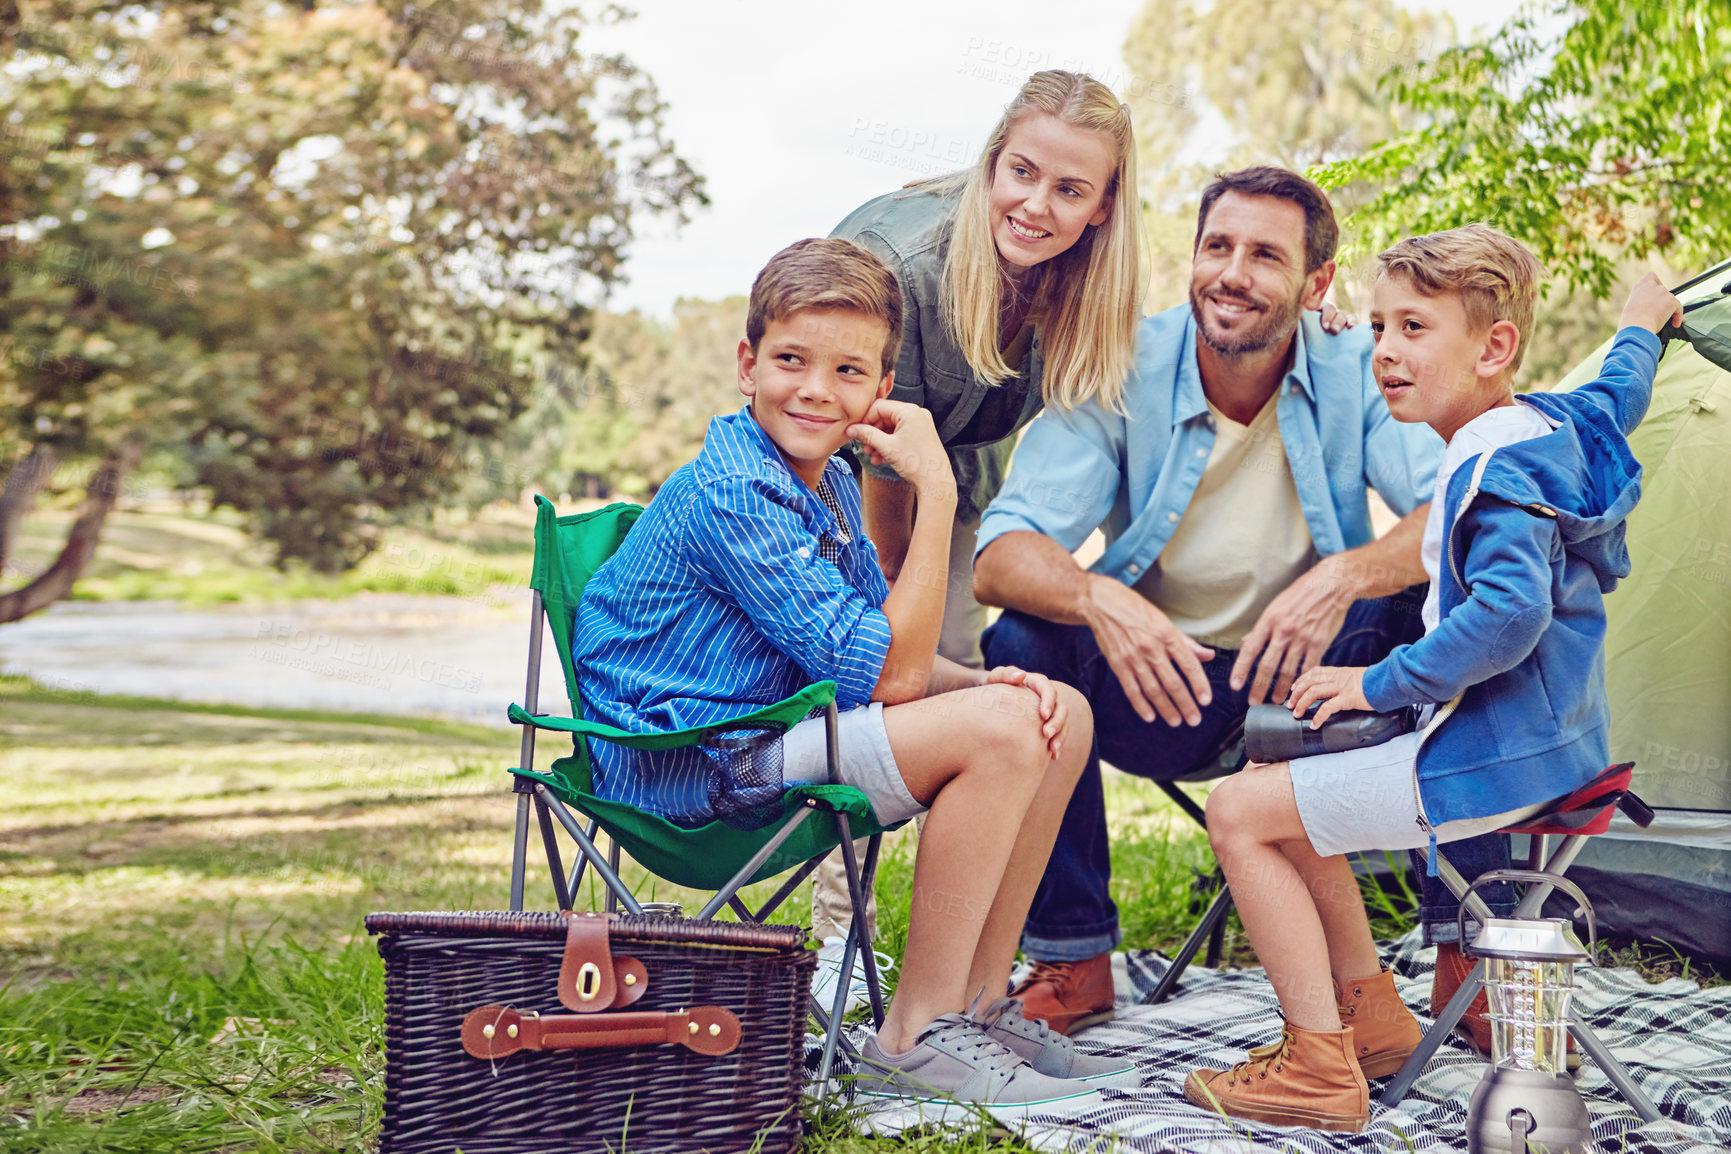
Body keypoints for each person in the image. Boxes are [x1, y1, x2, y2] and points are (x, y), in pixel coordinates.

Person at [572, 237, 1138, 1118]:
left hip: (772, 732)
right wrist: (937, 492)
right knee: (998, 728)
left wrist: (989, 685)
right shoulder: (736, 490)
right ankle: (912, 1035)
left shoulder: (827, 481)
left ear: (879, 391)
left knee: (1053, 707)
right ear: (746, 364)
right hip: (690, 766)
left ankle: (980, 1009)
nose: (814, 390)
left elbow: (885, 653)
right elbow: (890, 676)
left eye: (847, 370)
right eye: (791, 360)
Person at [971, 166, 1509, 1034]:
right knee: (1025, 641)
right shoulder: (1121, 368)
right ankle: (1071, 960)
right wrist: (1104, 600)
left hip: (1312, 691)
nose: (1232, 273)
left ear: (1315, 285)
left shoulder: (1356, 367)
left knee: (1446, 613)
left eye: (1265, 256)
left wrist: (1339, 578)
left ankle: (1471, 956)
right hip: (1159, 688)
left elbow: (1460, 509)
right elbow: (1001, 554)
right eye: (1216, 247)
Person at [1180, 229, 1680, 1131]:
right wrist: (1641, 324)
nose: (1385, 352)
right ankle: (1368, 1019)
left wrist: (1376, 683)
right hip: (1556, 752)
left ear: (1494, 349)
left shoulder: (1492, 469)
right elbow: (1619, 392)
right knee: (1271, 793)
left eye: (1413, 327)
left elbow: (1506, 615)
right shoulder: (1551, 426)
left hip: (1493, 763)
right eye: (1377, 327)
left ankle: (1314, 1066)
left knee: (1234, 811)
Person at [808, 69, 1144, 965]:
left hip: (942, 480)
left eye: (1069, 189)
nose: (1036, 205)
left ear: (1104, 205)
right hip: (824, 474)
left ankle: (957, 962)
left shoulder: (1079, 281)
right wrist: (892, 615)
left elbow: (1177, 354)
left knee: (946, 693)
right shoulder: (904, 263)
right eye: (1022, 172)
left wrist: (1322, 324)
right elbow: (874, 449)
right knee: (883, 683)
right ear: (993, 160)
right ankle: (842, 938)